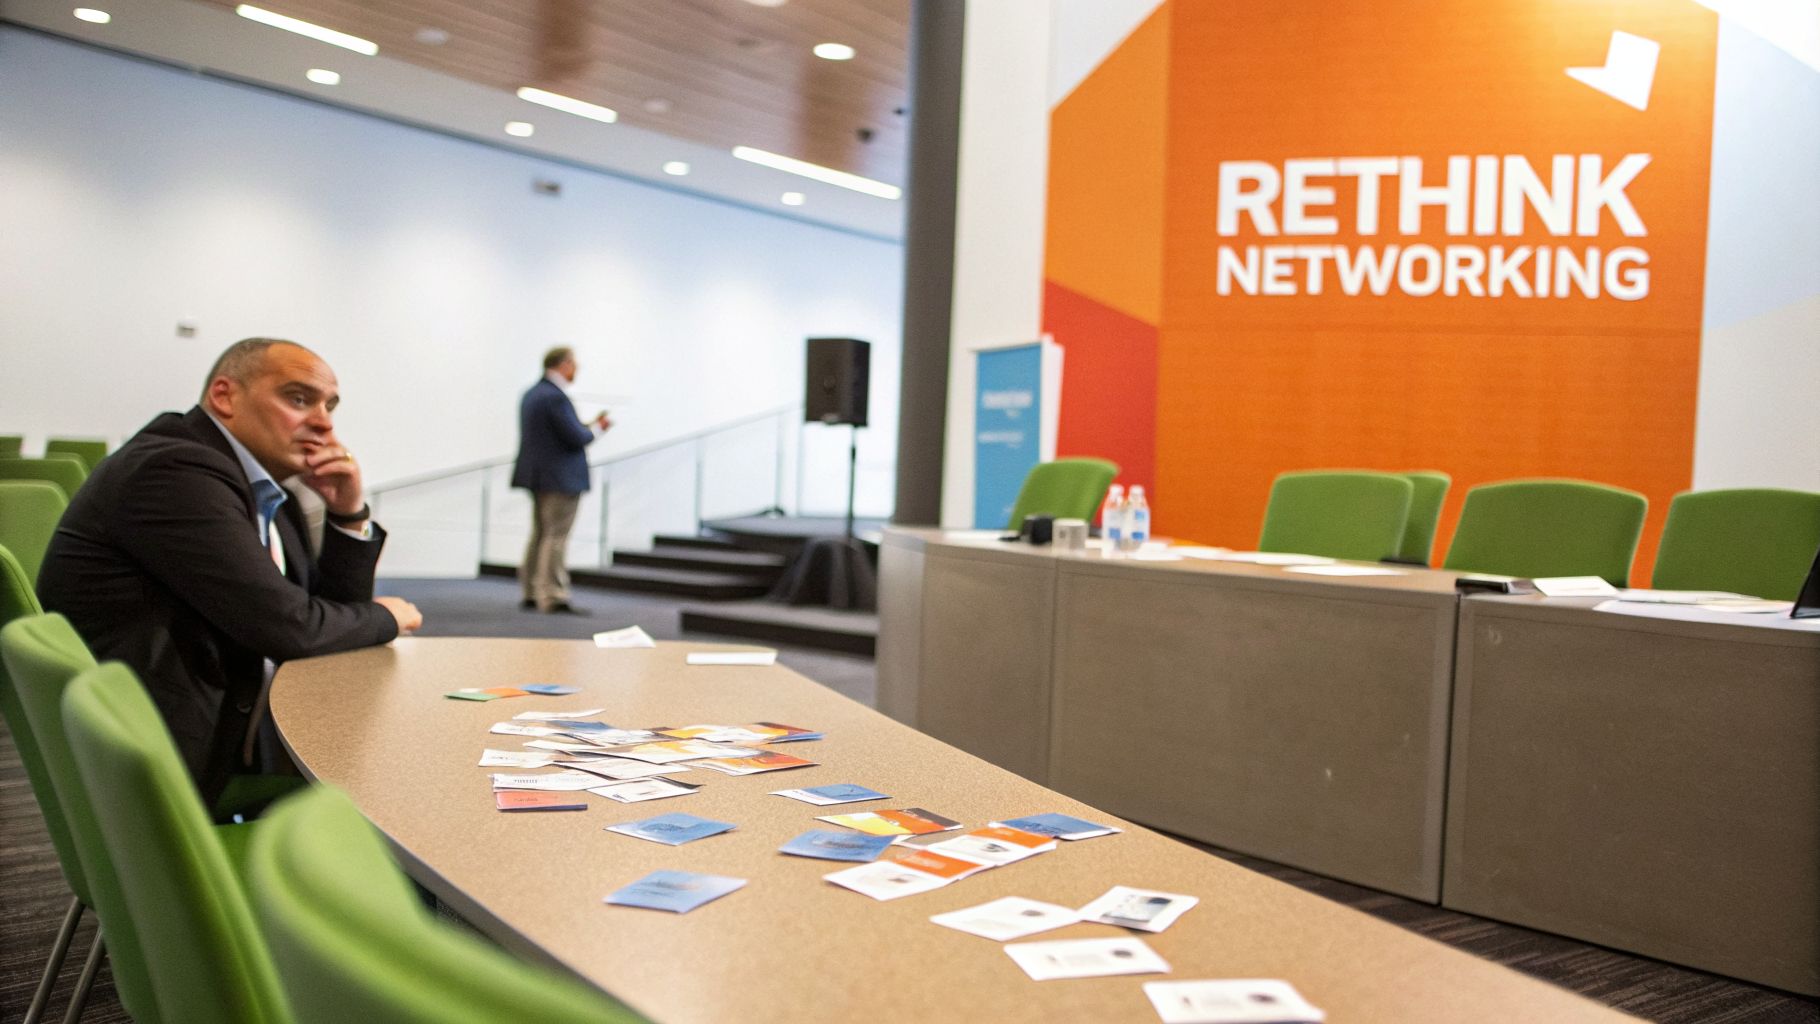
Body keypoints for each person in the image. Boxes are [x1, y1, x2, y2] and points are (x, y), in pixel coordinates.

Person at [37, 338, 422, 805]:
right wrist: (388, 616)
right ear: (225, 396)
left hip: (224, 730)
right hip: (163, 766)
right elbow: (292, 627)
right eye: (299, 399)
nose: (323, 422)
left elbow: (327, 616)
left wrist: (346, 513)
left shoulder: (266, 487)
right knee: (395, 801)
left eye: (329, 405)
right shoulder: (174, 469)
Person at [511, 346, 611, 613]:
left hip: (538, 477)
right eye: (575, 363)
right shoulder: (555, 398)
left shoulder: (532, 394)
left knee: (541, 534)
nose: (576, 369)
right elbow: (577, 437)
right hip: (560, 480)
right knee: (555, 537)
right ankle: (553, 595)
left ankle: (532, 590)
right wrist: (598, 428)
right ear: (565, 364)